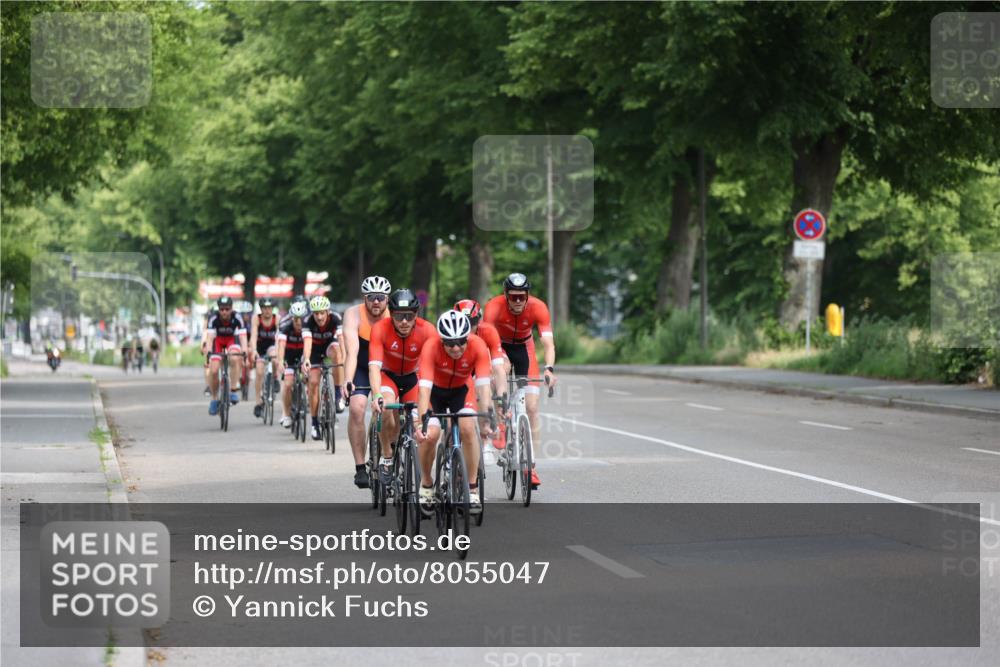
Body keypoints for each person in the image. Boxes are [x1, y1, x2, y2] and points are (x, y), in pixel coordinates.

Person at [414, 310, 494, 515]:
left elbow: (484, 387)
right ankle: (426, 483)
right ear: (442, 341)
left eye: (461, 342)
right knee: (430, 436)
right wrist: (420, 424)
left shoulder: (478, 346)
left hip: (461, 391)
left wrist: (486, 418)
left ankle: (472, 487)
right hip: (435, 393)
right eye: (450, 343)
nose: (456, 348)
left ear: (468, 338)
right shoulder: (430, 348)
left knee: (468, 427)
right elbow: (423, 391)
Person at [483, 273, 558, 489]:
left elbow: (548, 344)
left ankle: (530, 465)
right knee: (501, 370)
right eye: (513, 297)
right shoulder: (494, 307)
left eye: (521, 297)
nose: (517, 301)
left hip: (525, 348)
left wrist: (549, 370)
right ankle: (500, 421)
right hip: (500, 346)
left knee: (532, 408)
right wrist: (490, 367)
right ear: (506, 295)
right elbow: (486, 339)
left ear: (527, 295)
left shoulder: (538, 307)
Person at [369, 289, 436, 486]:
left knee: (420, 422)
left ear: (416, 315)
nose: (404, 321)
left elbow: (431, 369)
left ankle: (421, 474)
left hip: (413, 378)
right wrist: (377, 395)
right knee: (385, 407)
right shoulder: (380, 328)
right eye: (399, 316)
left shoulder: (427, 330)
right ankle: (387, 456)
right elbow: (374, 367)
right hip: (387, 376)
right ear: (391, 314)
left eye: (409, 316)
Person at [342, 275, 391, 488]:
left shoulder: (395, 315)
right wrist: (347, 380)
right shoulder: (353, 314)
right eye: (371, 298)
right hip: (361, 366)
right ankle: (360, 467)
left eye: (380, 297)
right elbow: (351, 352)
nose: (376, 302)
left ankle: (391, 453)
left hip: (385, 367)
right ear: (365, 298)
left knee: (392, 409)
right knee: (356, 408)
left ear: (387, 299)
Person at [455, 298, 508, 452]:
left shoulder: (488, 331)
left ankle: (486, 436)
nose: (468, 328)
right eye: (464, 323)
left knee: (489, 385)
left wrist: (501, 398)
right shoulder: (451, 335)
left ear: (479, 321)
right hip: (460, 371)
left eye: (472, 322)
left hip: (482, 367)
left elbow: (498, 369)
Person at [301, 295, 344, 440]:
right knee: (313, 383)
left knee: (338, 354)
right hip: (313, 350)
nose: (319, 317)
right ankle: (314, 424)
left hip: (329, 347)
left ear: (328, 312)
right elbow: (307, 341)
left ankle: (338, 396)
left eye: (322, 313)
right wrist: (306, 359)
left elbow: (341, 340)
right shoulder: (307, 321)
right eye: (316, 313)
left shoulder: (336, 318)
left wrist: (344, 358)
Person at [200, 296, 248, 416]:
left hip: (232, 340)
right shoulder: (213, 318)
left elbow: (242, 337)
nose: (224, 312)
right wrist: (209, 353)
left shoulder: (237, 317)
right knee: (214, 369)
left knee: (234, 358)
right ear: (219, 309)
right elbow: (210, 338)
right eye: (222, 309)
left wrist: (245, 351)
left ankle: (232, 389)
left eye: (227, 309)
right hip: (218, 341)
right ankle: (214, 398)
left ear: (231, 309)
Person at [275, 300, 308, 428]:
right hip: (288, 353)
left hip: (303, 352)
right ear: (291, 318)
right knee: (288, 383)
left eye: (301, 319)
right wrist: (280, 361)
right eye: (296, 320)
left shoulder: (308, 324)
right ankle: (287, 414)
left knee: (310, 377)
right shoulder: (285, 325)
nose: (298, 322)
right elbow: (281, 345)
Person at [250, 297, 279, 418]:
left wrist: (278, 350)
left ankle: (275, 377)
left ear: (272, 309)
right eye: (264, 308)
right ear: (261, 309)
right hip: (260, 348)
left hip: (272, 346)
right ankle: (258, 402)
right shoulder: (256, 318)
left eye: (269, 308)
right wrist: (254, 350)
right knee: (259, 371)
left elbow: (279, 336)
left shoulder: (277, 318)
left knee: (275, 357)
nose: (267, 311)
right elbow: (253, 335)